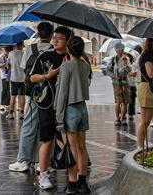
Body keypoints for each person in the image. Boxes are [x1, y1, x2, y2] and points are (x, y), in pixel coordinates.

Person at [8, 21, 53, 173]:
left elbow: (24, 69)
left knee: (28, 126)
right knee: (46, 127)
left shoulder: (30, 49)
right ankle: (44, 162)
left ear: (39, 35)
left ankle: (23, 160)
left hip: (34, 94)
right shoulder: (56, 50)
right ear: (52, 35)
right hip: (51, 95)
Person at [30, 26, 71, 191]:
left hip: (67, 103)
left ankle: (72, 174)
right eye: (55, 37)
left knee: (69, 138)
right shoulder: (45, 56)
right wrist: (48, 75)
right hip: (47, 103)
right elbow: (32, 77)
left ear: (68, 41)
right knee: (47, 139)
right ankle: (43, 174)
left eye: (60, 38)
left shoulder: (72, 57)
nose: (55, 40)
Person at [55, 37, 91, 194]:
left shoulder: (66, 67)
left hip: (69, 109)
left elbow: (62, 93)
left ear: (69, 49)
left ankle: (72, 183)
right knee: (82, 147)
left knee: (71, 149)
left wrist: (58, 115)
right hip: (83, 108)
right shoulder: (85, 65)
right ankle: (83, 182)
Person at [107, 43, 132, 126]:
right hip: (116, 83)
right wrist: (114, 76)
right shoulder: (113, 60)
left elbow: (130, 69)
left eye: (122, 49)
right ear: (116, 50)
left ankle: (123, 118)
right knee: (118, 101)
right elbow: (108, 70)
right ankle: (117, 118)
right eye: (119, 50)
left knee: (126, 101)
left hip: (125, 82)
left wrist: (126, 66)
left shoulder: (126, 59)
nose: (121, 51)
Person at [7, 42, 26, 119]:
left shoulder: (11, 53)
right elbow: (25, 66)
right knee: (22, 95)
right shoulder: (24, 53)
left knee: (13, 96)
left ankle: (11, 114)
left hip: (13, 78)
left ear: (15, 45)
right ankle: (21, 113)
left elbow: (8, 65)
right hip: (22, 78)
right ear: (21, 45)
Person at [0, 48, 11, 113]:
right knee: (5, 89)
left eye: (8, 51)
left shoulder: (9, 56)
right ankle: (2, 104)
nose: (7, 53)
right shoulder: (0, 57)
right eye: (6, 51)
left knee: (8, 89)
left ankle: (7, 103)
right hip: (4, 75)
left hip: (9, 75)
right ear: (3, 51)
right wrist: (4, 64)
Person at [126, 51, 137, 120]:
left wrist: (131, 73)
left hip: (132, 84)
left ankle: (131, 113)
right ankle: (124, 113)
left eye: (128, 57)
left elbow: (135, 73)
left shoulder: (133, 65)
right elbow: (130, 73)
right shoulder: (125, 65)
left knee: (132, 100)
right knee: (125, 100)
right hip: (126, 84)